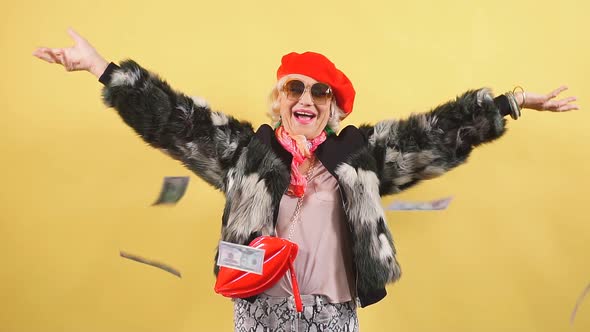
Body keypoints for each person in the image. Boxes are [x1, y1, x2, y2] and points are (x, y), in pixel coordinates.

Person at [33, 29, 578, 332]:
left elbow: (432, 135)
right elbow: (176, 121)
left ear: (332, 108)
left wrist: (507, 102)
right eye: (296, 88)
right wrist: (101, 68)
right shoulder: (247, 152)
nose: (306, 99)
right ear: (280, 99)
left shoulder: (359, 154)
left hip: (334, 315)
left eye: (321, 93)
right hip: (259, 311)